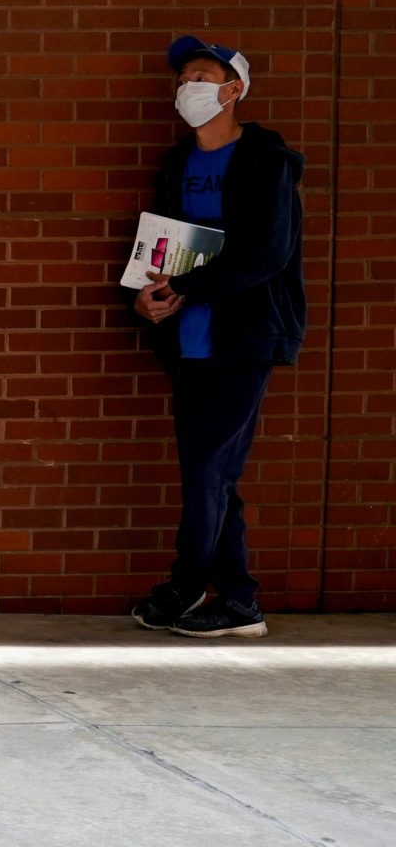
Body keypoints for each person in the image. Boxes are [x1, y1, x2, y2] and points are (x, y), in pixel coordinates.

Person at [126, 37, 306, 639]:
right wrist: (146, 299)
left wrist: (190, 286)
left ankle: (193, 586)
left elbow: (269, 253)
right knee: (211, 473)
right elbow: (161, 247)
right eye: (183, 79)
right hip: (187, 342)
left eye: (202, 76)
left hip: (246, 339)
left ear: (234, 89)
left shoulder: (266, 161)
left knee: (208, 468)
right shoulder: (179, 163)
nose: (188, 88)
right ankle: (233, 598)